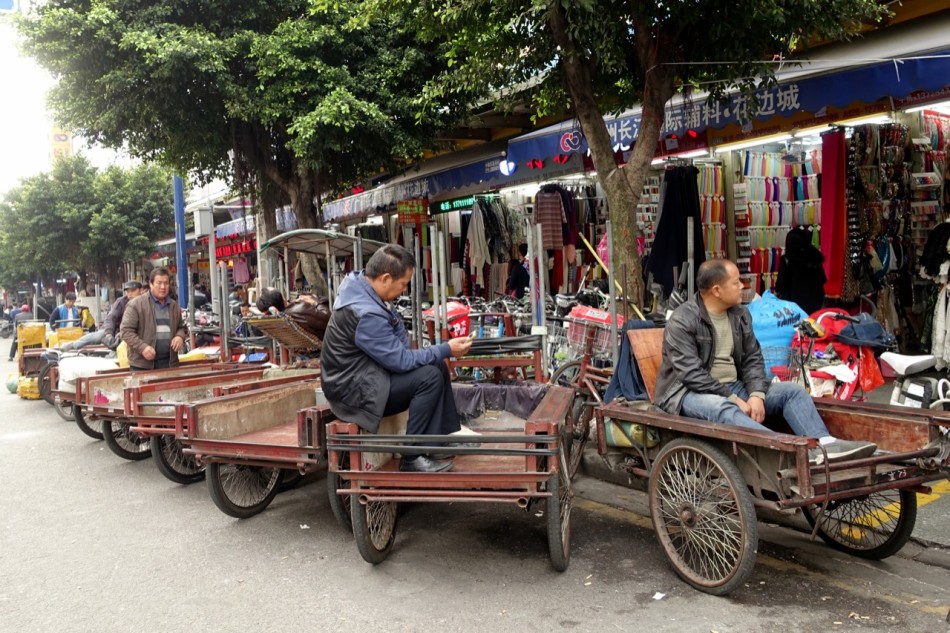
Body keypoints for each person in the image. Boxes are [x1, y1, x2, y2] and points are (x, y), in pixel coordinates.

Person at [654, 258, 877, 464]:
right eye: (736, 282)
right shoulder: (683, 321)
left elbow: (753, 358)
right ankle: (786, 452)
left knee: (792, 391)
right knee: (723, 408)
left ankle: (825, 445)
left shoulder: (740, 314)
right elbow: (691, 374)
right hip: (687, 393)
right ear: (717, 290)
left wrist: (756, 395)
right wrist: (732, 398)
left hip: (734, 387)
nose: (743, 286)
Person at [321, 244, 475, 473]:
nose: (403, 290)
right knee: (430, 376)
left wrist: (439, 352)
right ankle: (412, 457)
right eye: (403, 284)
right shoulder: (366, 313)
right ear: (385, 278)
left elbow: (400, 349)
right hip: (353, 391)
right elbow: (401, 360)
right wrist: (446, 348)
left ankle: (437, 441)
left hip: (369, 376)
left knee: (436, 366)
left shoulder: (367, 292)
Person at [119, 268, 187, 370]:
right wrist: (143, 348)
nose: (163, 287)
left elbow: (181, 327)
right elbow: (126, 331)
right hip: (142, 365)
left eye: (166, 283)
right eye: (159, 283)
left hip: (169, 363)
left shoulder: (174, 306)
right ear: (151, 284)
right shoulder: (136, 305)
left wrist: (179, 336)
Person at [64, 281, 144, 351]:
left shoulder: (147, 304)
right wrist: (109, 333)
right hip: (117, 331)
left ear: (141, 291)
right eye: (127, 291)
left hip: (137, 334)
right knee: (97, 336)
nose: (129, 294)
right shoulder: (121, 302)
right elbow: (111, 317)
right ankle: (74, 345)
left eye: (133, 291)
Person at [774, 227, 826, 315]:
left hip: (794, 308)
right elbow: (823, 279)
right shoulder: (815, 257)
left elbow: (780, 285)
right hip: (816, 305)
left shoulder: (787, 259)